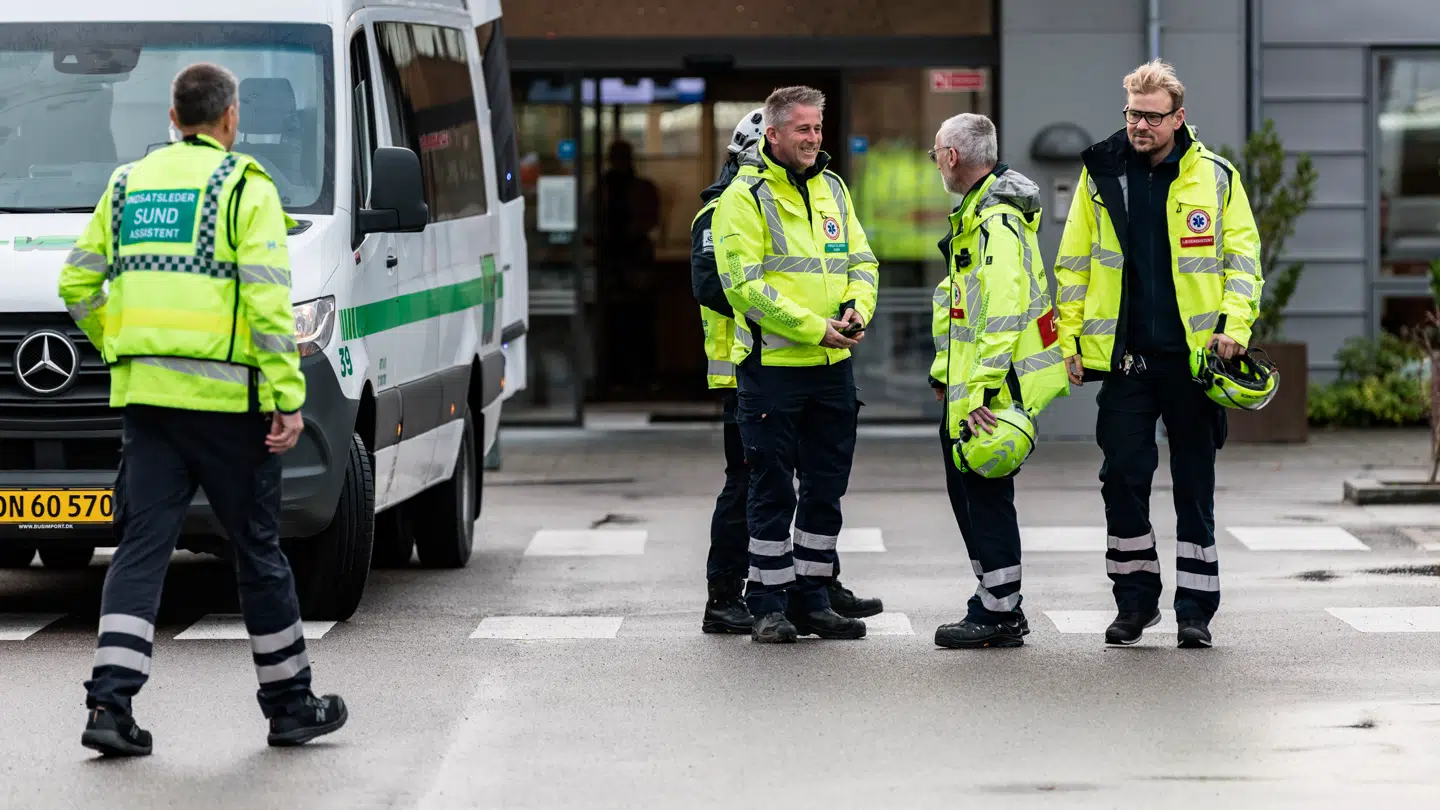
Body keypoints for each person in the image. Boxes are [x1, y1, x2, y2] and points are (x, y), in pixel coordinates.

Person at [58, 62, 347, 756]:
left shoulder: (126, 183)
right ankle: (289, 705)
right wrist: (287, 397)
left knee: (139, 551)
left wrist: (120, 346)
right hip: (229, 409)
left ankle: (109, 707)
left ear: (171, 116)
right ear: (230, 119)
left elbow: (77, 281)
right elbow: (268, 301)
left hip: (148, 406)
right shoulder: (244, 187)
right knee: (257, 553)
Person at [1053, 59, 1262, 649]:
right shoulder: (1102, 174)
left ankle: (1195, 610)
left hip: (1194, 365)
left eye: (1151, 116)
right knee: (1122, 479)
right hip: (1126, 364)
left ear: (1179, 117)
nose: (1139, 125)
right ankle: (1135, 601)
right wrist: (1069, 339)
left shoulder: (1216, 178)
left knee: (1195, 489)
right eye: (1132, 114)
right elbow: (1073, 264)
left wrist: (1234, 328)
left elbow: (1243, 264)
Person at [711, 86, 883, 643]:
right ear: (774, 134)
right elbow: (743, 286)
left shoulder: (833, 187)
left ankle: (812, 600)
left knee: (824, 490)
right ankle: (766, 604)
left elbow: (862, 259)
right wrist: (815, 327)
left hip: (833, 368)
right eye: (802, 129)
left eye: (817, 128)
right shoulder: (744, 196)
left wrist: (859, 307)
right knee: (771, 491)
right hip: (773, 372)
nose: (813, 138)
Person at [925, 114, 1069, 649]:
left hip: (990, 389)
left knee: (983, 495)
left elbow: (1004, 309)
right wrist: (945, 374)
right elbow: (960, 308)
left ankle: (1000, 611)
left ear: (952, 157)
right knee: (971, 493)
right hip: (970, 386)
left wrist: (981, 386)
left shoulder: (995, 223)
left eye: (935, 152)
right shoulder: (977, 218)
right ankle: (995, 600)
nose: (935, 160)